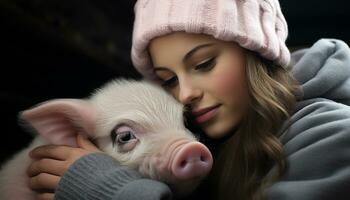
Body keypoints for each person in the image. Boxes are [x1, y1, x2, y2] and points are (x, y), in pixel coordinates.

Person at [27, 0, 350, 199]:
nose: (184, 94)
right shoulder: (213, 137)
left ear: (257, 53)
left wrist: (112, 190)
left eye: (204, 64)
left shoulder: (332, 133)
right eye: (168, 80)